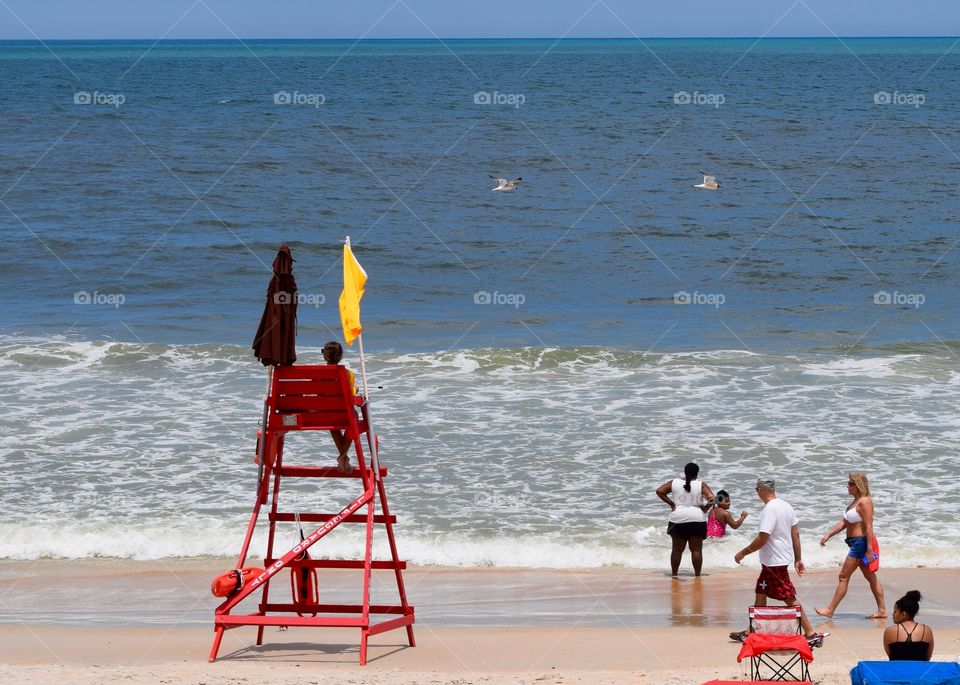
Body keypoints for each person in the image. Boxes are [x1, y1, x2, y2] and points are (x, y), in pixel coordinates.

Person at [731, 478, 823, 644]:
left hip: (774, 563)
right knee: (761, 591)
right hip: (776, 561)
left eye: (756, 490)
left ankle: (811, 633)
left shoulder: (769, 509)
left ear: (761, 490)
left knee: (789, 597)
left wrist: (743, 553)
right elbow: (795, 534)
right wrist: (798, 558)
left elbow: (763, 538)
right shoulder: (786, 506)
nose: (756, 493)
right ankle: (751, 631)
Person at [815, 472, 886, 619]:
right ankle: (882, 610)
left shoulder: (865, 502)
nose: (847, 487)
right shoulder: (855, 502)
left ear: (858, 485)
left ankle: (830, 610)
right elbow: (844, 523)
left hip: (861, 543)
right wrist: (828, 534)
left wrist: (869, 549)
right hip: (855, 543)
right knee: (870, 576)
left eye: (850, 484)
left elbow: (869, 527)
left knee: (843, 576)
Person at [656, 462, 715, 576]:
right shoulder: (701, 485)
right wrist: (706, 508)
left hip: (678, 518)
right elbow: (712, 498)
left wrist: (672, 504)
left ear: (685, 472)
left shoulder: (674, 482)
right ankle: (697, 575)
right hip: (697, 518)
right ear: (697, 474)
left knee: (677, 550)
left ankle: (674, 574)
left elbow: (659, 491)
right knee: (696, 550)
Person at [322, 341, 357, 474]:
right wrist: (356, 389)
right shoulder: (348, 374)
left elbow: (318, 393)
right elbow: (351, 394)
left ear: (325, 356)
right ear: (340, 356)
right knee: (353, 420)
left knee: (333, 424)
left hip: (325, 415)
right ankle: (342, 457)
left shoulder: (318, 374)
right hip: (343, 414)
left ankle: (343, 458)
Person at [883, 590, 934, 661]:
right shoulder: (927, 630)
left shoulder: (889, 631)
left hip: (897, 668)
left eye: (895, 612)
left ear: (903, 614)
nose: (892, 614)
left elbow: (891, 657)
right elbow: (928, 657)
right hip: (920, 668)